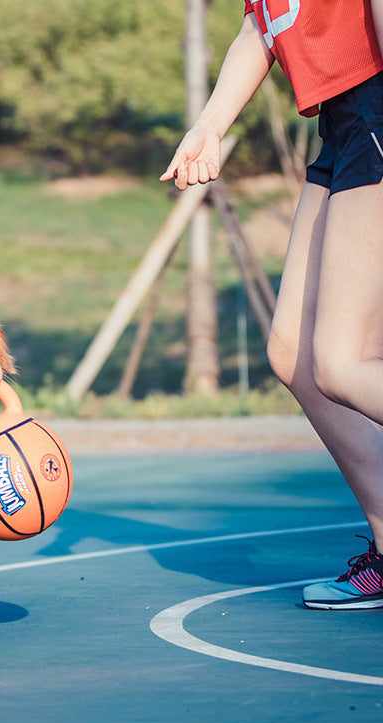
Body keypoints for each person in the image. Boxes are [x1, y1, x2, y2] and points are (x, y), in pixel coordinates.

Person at [161, 0, 383, 608]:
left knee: (343, 362)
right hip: (342, 124)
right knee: (295, 358)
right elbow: (261, 26)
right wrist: (209, 126)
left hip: (377, 111)